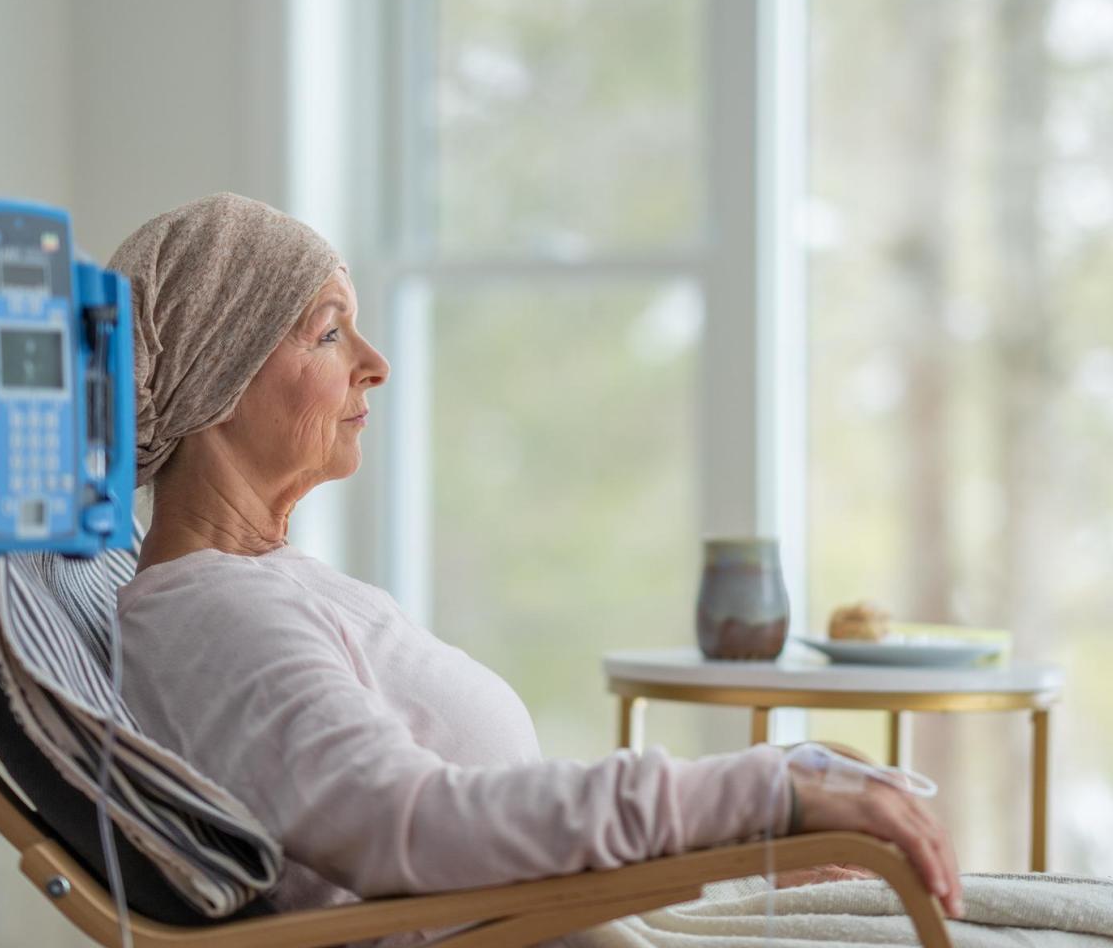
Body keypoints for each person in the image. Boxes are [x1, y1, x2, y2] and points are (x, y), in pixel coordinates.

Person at [109, 193, 962, 943]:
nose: (376, 362)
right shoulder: (211, 612)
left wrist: (742, 847)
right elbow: (411, 829)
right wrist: (766, 794)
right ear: (216, 376)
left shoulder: (265, 582)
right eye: (330, 332)